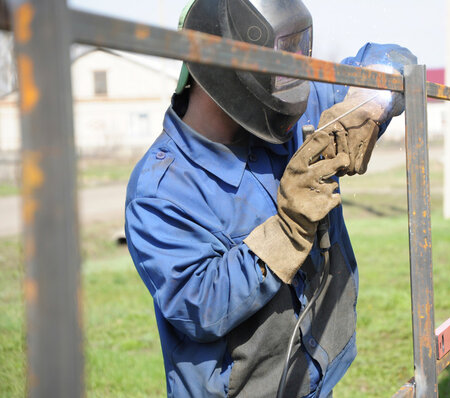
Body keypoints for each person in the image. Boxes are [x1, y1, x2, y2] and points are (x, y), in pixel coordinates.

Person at [125, 1, 416, 397]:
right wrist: (288, 231)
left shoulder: (292, 99)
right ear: (223, 64)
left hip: (314, 373)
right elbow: (200, 306)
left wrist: (369, 105)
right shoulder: (160, 191)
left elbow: (393, 60)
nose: (291, 79)